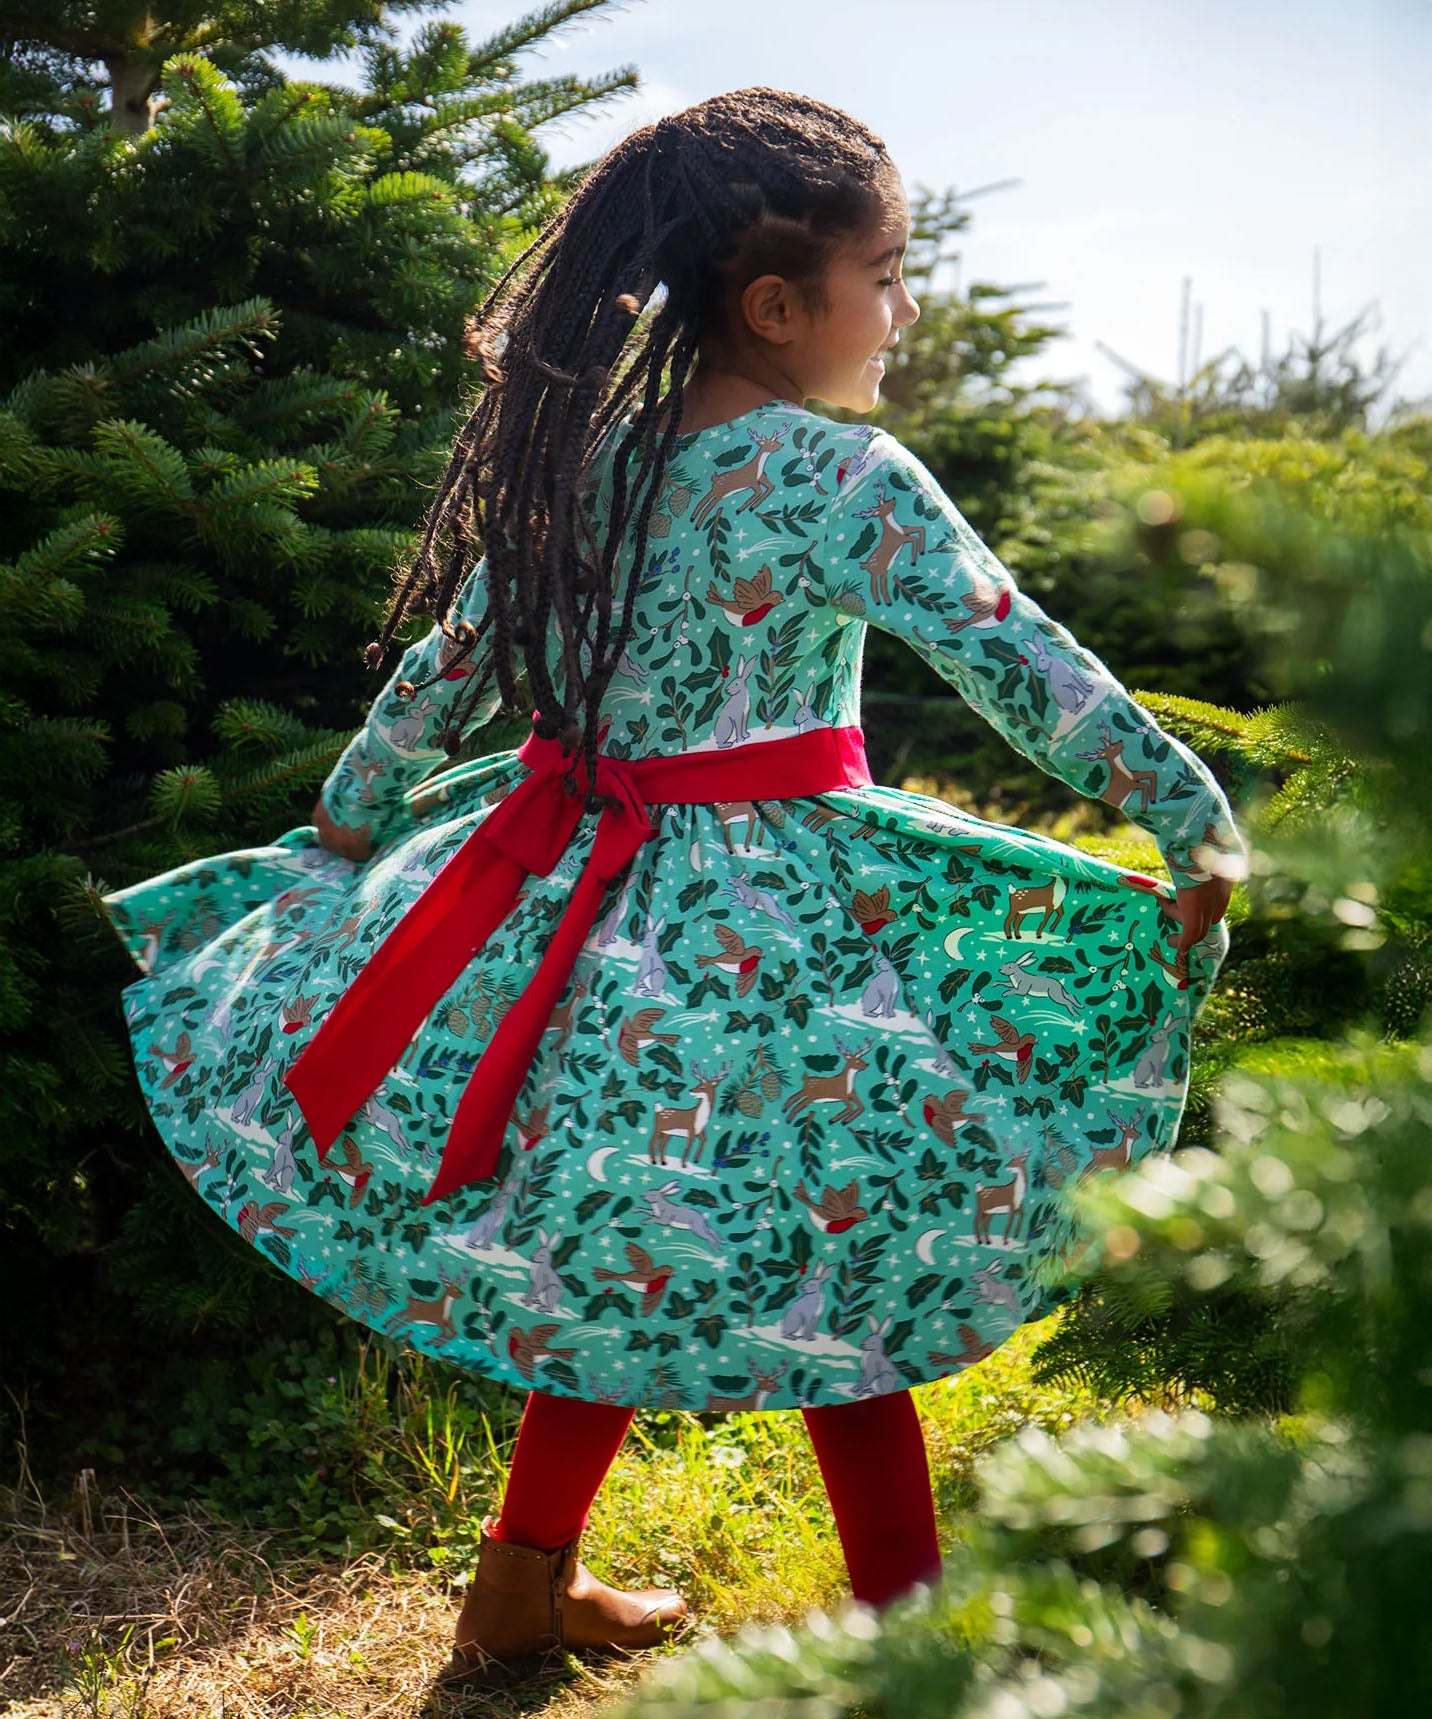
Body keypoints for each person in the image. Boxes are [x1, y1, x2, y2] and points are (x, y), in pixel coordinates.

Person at [98, 88, 1246, 1685]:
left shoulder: (594, 463)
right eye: (888, 276)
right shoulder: (849, 479)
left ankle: (518, 1591)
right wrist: (1190, 815)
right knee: (844, 1259)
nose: (907, 311)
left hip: (570, 908)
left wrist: (351, 825)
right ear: (777, 305)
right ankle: (909, 1650)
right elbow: (1021, 665)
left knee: (611, 1233)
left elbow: (450, 668)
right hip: (772, 935)